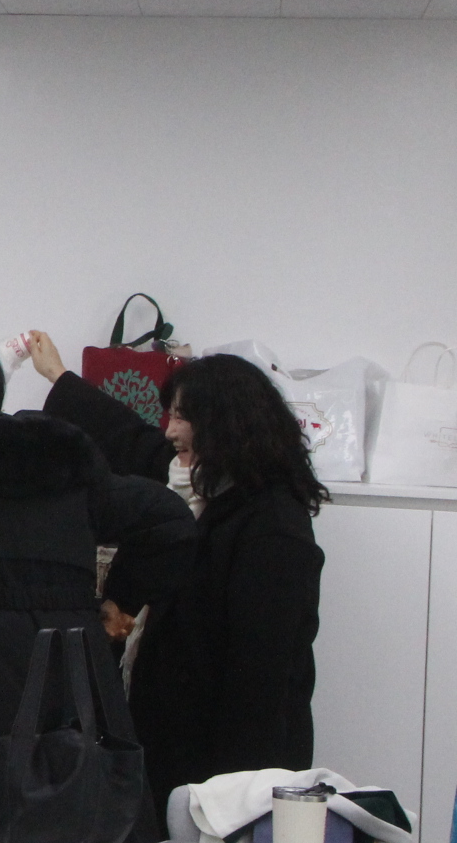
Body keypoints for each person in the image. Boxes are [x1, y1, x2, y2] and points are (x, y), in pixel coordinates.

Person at [0, 332, 195, 823]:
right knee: (66, 831)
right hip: (60, 674)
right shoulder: (59, 455)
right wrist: (116, 602)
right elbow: (170, 520)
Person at [27, 337, 326, 811]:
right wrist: (58, 377)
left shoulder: (273, 530)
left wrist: (234, 802)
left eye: (182, 417)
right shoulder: (192, 486)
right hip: (173, 752)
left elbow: (259, 683)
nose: (169, 430)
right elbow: (127, 436)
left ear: (226, 427)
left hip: (228, 774)